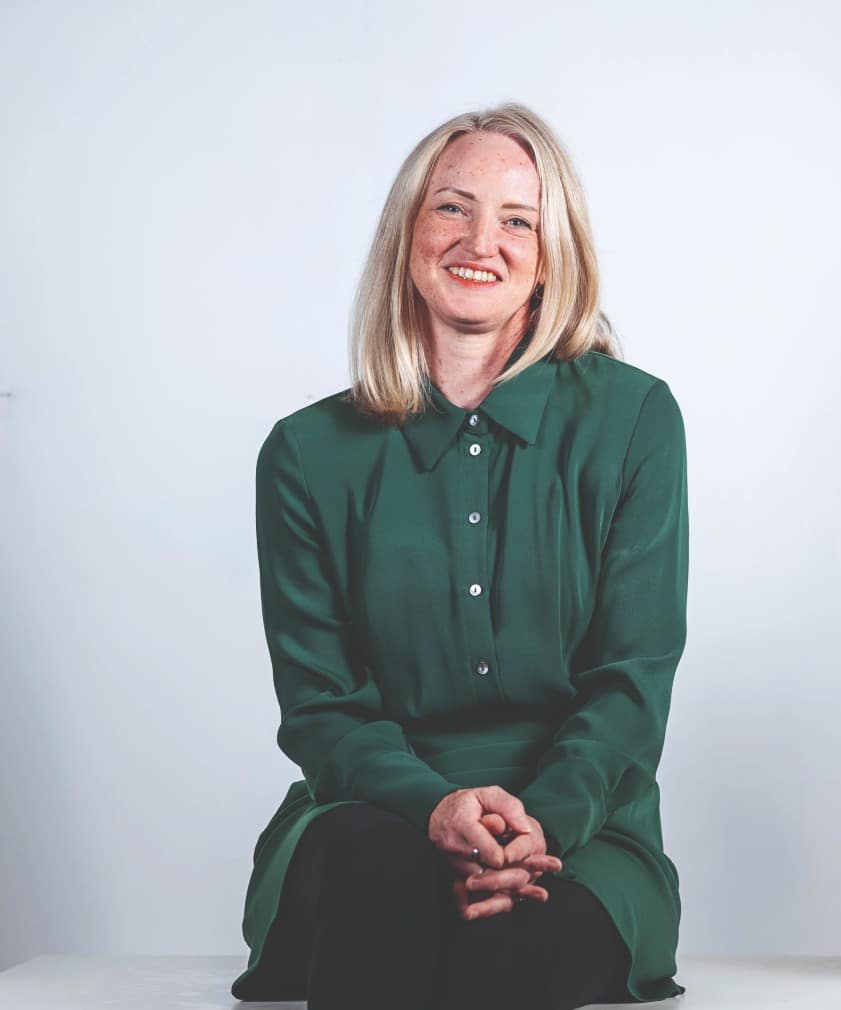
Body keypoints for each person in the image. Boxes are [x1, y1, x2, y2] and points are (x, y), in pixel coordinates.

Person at [229, 102, 689, 1010]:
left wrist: (540, 821)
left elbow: (633, 682)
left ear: (551, 255)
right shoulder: (305, 453)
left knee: (510, 951)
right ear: (407, 233)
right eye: (452, 207)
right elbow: (320, 706)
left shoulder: (636, 420)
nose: (482, 242)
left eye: (518, 219)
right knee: (382, 886)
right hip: (370, 816)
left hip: (581, 831)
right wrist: (431, 807)